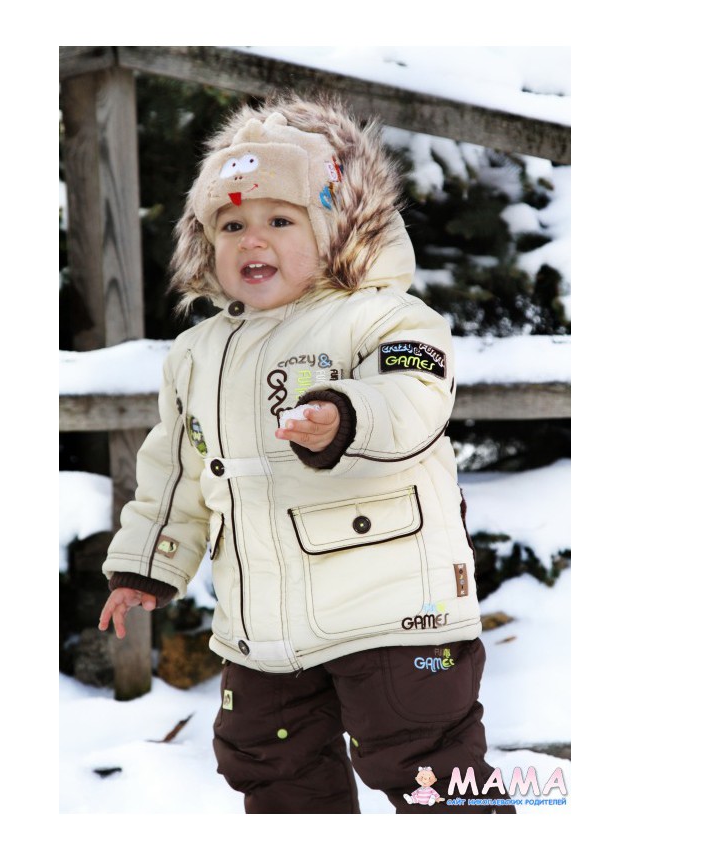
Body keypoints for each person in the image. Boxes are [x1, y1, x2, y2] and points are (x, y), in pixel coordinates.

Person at [98, 94, 514, 814]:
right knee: (267, 760)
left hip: (395, 611)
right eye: (232, 225)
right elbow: (175, 472)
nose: (251, 241)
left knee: (424, 759)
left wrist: (345, 418)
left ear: (335, 232)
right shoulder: (197, 355)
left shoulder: (383, 316)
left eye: (280, 221)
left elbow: (415, 397)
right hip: (263, 629)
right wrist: (148, 562)